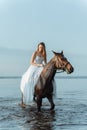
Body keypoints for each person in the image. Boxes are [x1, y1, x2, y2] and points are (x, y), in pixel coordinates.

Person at [20, 42, 47, 107]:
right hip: (34, 67)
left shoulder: (44, 54)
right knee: (30, 78)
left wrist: (45, 66)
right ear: (38, 47)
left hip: (41, 68)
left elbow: (45, 63)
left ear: (44, 48)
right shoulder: (35, 52)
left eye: (42, 47)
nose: (40, 48)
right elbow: (31, 62)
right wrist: (39, 64)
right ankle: (30, 92)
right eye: (40, 47)